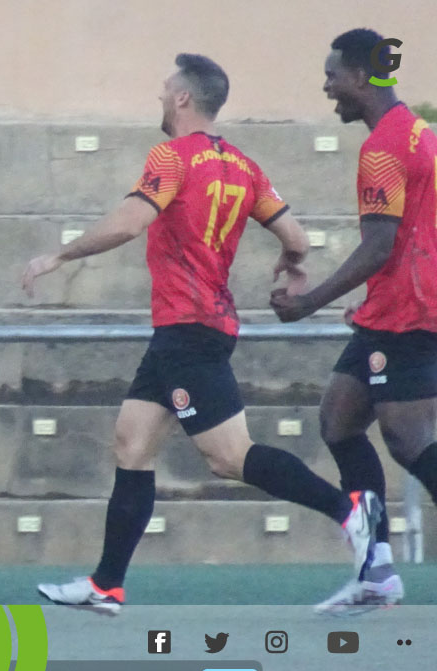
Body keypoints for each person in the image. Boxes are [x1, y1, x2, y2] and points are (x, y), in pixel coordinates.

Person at [24, 53, 380, 615]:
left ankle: (348, 510)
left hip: (189, 329)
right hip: (190, 329)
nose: (161, 98)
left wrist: (60, 255)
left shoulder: (171, 158)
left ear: (184, 98)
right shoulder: (243, 166)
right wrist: (292, 263)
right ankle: (106, 586)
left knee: (228, 457)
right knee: (131, 442)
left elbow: (130, 220)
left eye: (166, 90)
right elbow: (296, 234)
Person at [271, 28, 436, 615]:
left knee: (408, 440)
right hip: (397, 308)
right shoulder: (419, 130)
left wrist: (307, 302)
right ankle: (378, 571)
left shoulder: (385, 146)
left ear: (362, 77)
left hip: (407, 314)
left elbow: (380, 246)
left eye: (333, 74)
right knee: (340, 421)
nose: (326, 86)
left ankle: (378, 571)